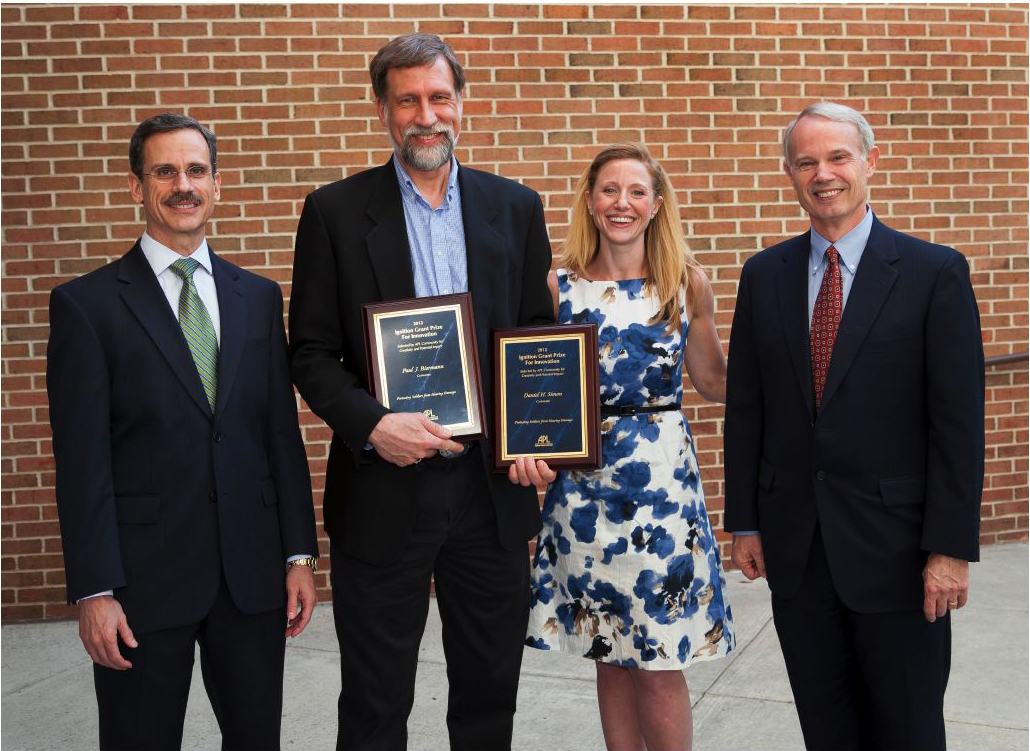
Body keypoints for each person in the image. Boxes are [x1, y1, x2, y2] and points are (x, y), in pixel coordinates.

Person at [288, 33, 553, 751]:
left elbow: (535, 337)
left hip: (490, 490)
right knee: (374, 702)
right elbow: (310, 353)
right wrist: (373, 424)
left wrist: (538, 437)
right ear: (383, 110)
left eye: (439, 97)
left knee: (488, 694)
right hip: (384, 487)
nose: (425, 115)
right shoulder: (336, 212)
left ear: (461, 104)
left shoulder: (516, 208)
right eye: (407, 99)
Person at [46, 113, 319, 751]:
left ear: (217, 185)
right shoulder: (86, 306)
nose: (182, 185)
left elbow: (280, 434)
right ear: (138, 188)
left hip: (250, 577)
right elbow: (81, 461)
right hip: (142, 583)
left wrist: (298, 556)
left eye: (196, 170)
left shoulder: (257, 297)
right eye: (164, 171)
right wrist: (94, 590)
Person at [724, 102, 984, 750]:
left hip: (899, 556)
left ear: (871, 162)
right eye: (806, 161)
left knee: (909, 729)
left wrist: (950, 548)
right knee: (827, 729)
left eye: (838, 157)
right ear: (788, 173)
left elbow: (957, 423)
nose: (823, 174)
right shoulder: (763, 276)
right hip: (799, 553)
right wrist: (746, 520)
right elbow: (746, 408)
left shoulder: (934, 273)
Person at [512, 143, 735, 751]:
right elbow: (533, 385)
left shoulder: (686, 283)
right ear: (589, 200)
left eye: (637, 192)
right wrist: (524, 446)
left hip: (662, 491)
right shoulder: (557, 286)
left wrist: (794, 375)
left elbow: (714, 379)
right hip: (583, 494)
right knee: (607, 653)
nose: (622, 203)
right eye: (609, 190)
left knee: (660, 665)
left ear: (657, 205)